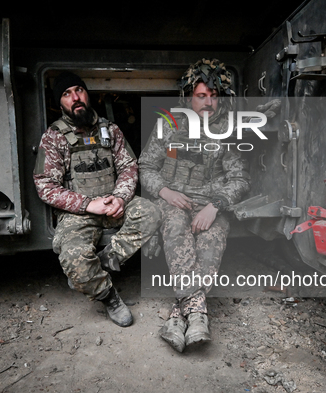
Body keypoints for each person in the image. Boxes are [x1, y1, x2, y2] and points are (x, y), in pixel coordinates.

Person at [139, 59, 251, 351]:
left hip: (210, 204)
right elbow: (146, 166)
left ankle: (179, 316)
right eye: (202, 96)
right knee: (176, 228)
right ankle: (198, 314)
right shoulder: (168, 124)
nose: (209, 103)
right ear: (189, 96)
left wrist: (216, 205)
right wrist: (164, 191)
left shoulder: (227, 132)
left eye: (214, 96)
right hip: (172, 201)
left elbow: (240, 179)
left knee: (212, 240)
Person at [33, 71, 161, 327]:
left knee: (152, 213)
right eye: (67, 94)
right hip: (78, 214)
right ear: (60, 103)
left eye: (79, 90)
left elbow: (128, 167)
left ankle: (105, 261)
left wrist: (121, 198)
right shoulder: (54, 137)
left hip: (113, 205)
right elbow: (45, 185)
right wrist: (86, 204)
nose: (75, 97)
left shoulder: (110, 130)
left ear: (87, 94)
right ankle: (108, 296)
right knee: (74, 260)